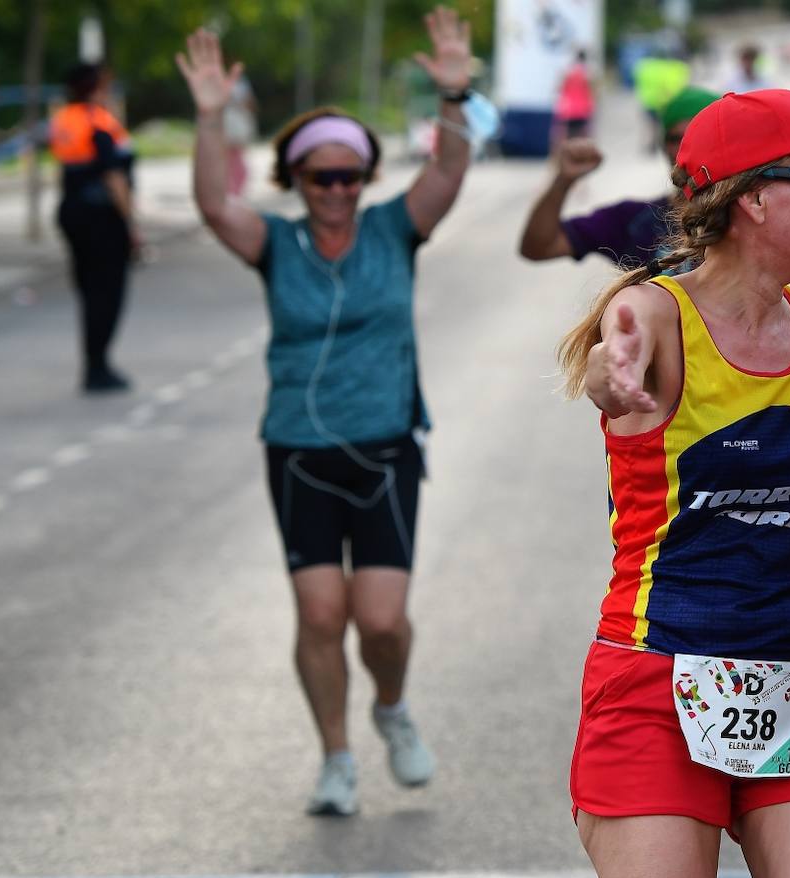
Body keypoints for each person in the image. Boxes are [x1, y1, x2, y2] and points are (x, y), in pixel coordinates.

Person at [559, 89, 790, 878]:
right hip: (659, 674)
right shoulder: (654, 314)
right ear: (755, 199)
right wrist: (610, 375)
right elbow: (612, 363)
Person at [175, 6, 473, 817]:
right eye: (321, 178)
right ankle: (336, 758)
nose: (337, 191)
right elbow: (211, 207)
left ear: (365, 179)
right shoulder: (276, 244)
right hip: (298, 448)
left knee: (380, 622)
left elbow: (445, 178)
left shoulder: (391, 230)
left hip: (385, 450)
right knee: (319, 610)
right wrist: (208, 118)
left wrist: (453, 99)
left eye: (349, 176)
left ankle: (392, 707)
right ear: (297, 182)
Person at [519, 86, 717, 270]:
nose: (685, 149)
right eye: (676, 139)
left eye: (696, 137)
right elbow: (539, 247)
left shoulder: (744, 222)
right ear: (664, 146)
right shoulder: (635, 221)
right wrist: (562, 181)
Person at [49, 63, 139, 394]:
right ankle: (97, 366)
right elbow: (114, 178)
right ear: (97, 87)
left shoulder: (64, 119)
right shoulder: (100, 123)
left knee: (88, 291)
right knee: (108, 293)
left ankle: (94, 363)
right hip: (102, 218)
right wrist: (131, 224)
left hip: (72, 213)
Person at [222, 73, 257, 196]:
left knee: (235, 163)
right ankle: (231, 191)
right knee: (232, 163)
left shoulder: (241, 83)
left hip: (236, 127)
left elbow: (249, 103)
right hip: (228, 128)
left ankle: (233, 192)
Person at [552, 49, 595, 147]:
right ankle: (580, 157)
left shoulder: (568, 71)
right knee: (582, 136)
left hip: (568, 108)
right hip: (583, 109)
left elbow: (559, 88)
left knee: (566, 136)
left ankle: (564, 156)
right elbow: (592, 91)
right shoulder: (588, 73)